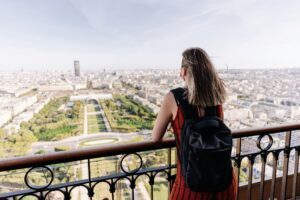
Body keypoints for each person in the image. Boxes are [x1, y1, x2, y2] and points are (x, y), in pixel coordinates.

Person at [152, 47, 237, 200]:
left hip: (191, 184)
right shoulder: (216, 98)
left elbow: (155, 137)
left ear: (183, 72)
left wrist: (177, 130)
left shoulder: (174, 98)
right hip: (223, 182)